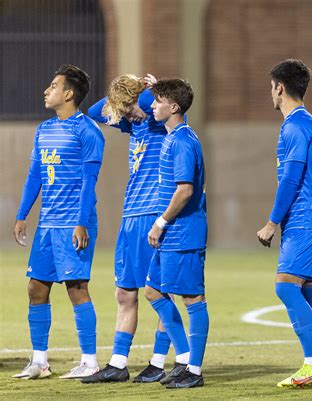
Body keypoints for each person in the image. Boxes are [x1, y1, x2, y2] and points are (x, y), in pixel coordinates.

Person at [83, 74, 189, 383]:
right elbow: (95, 112)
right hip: (130, 216)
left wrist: (149, 92)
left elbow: (169, 102)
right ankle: (118, 363)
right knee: (124, 291)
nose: (127, 116)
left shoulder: (160, 123)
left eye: (131, 109)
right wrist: (124, 98)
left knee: (157, 292)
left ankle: (162, 360)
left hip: (152, 214)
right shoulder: (135, 124)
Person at [13, 65, 105, 379]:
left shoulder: (88, 131)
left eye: (53, 85)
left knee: (76, 288)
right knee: (36, 288)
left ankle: (90, 361)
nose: (46, 90)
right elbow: (35, 176)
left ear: (68, 93)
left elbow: (88, 181)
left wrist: (81, 223)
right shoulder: (44, 130)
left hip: (73, 224)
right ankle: (39, 361)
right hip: (47, 225)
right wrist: (22, 214)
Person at [257, 59, 312, 389]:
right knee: (308, 293)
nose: (270, 93)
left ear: (279, 87)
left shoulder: (294, 126)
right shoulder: (309, 122)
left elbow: (290, 178)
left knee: (286, 286)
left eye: (270, 87)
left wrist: (272, 222)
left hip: (304, 217)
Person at [144, 78, 209, 389]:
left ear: (174, 107)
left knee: (194, 299)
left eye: (158, 100)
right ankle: (183, 356)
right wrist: (160, 86)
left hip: (183, 232)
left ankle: (194, 370)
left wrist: (161, 222)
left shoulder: (183, 141)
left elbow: (185, 190)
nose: (152, 105)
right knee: (153, 291)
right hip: (172, 235)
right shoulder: (173, 135)